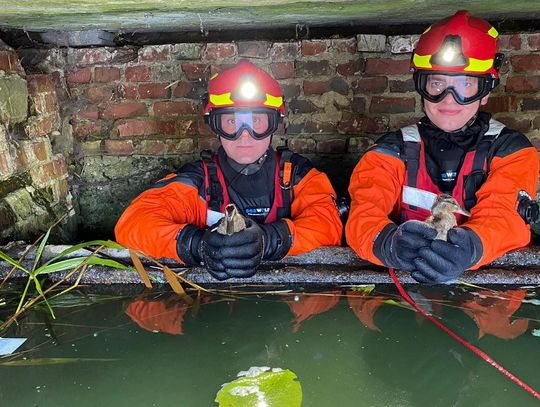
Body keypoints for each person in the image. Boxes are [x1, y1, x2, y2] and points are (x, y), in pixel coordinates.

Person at [346, 10, 539, 284]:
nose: (449, 99)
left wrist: (472, 247)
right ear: (421, 86)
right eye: (437, 83)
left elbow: (504, 218)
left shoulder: (511, 150)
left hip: (486, 303)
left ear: (484, 92)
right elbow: (364, 213)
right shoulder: (389, 151)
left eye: (465, 85)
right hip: (406, 291)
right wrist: (388, 243)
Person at [115, 60, 342, 280]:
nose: (245, 133)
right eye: (232, 122)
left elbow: (328, 226)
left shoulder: (297, 175)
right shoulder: (198, 180)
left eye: (257, 121)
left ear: (274, 123)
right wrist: (197, 245)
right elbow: (133, 224)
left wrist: (268, 240)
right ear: (215, 125)